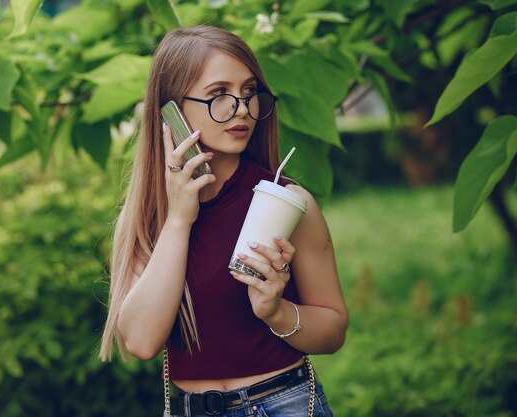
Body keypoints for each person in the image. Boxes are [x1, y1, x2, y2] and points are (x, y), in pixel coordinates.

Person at [99, 25, 348, 417]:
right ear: (171, 110)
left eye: (249, 93)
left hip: (285, 405)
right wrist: (179, 220)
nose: (243, 109)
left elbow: (334, 330)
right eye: (219, 95)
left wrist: (276, 311)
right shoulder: (151, 217)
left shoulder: (288, 202)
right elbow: (142, 342)